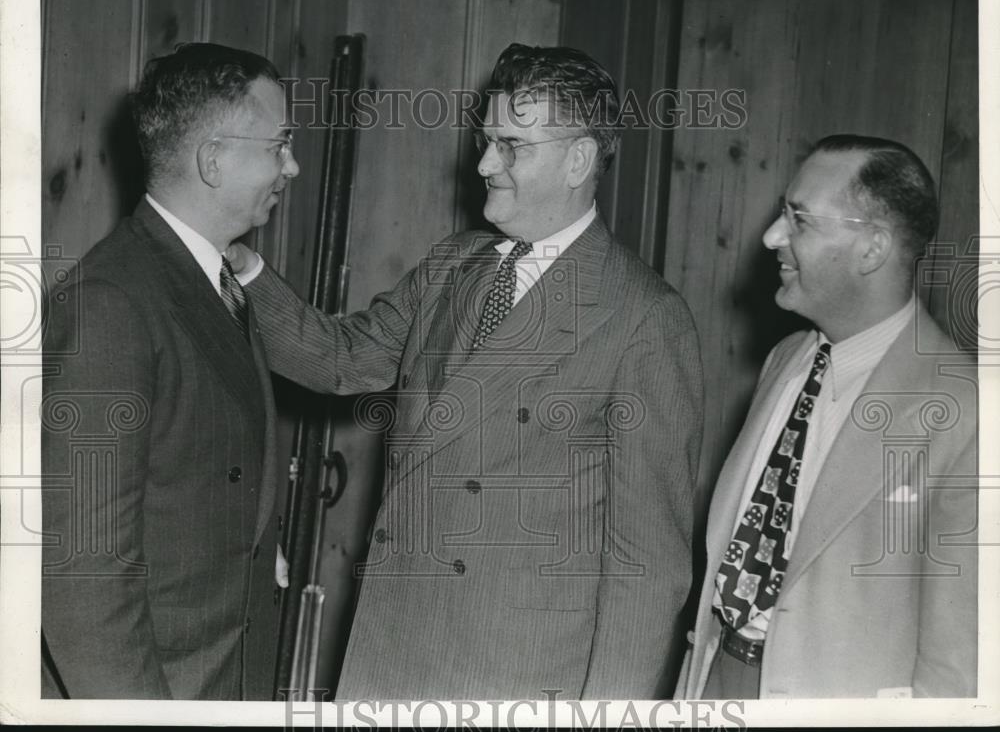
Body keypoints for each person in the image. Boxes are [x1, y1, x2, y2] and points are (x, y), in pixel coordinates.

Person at [231, 43, 704, 698]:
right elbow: (342, 358)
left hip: (516, 674)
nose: (485, 164)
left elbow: (648, 567)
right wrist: (239, 262)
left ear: (579, 159)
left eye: (512, 146)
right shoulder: (454, 263)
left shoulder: (644, 316)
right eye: (487, 140)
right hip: (394, 647)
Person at [677, 134, 977, 699]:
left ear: (872, 249)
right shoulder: (786, 360)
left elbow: (956, 673)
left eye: (799, 219)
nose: (771, 237)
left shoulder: (965, 411)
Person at [41, 43, 299, 699]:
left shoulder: (215, 280)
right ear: (213, 159)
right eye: (278, 145)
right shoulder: (110, 304)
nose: (290, 166)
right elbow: (82, 579)